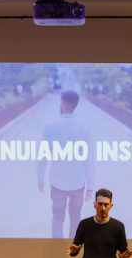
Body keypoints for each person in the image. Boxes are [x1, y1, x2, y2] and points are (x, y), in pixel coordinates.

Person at [36, 90, 95, 238]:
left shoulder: (50, 127)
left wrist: (40, 179)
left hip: (57, 181)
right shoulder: (84, 128)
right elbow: (90, 159)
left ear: (62, 103)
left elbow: (43, 156)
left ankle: (57, 248)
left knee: (57, 217)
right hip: (77, 181)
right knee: (75, 218)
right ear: (76, 105)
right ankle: (72, 248)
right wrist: (90, 186)